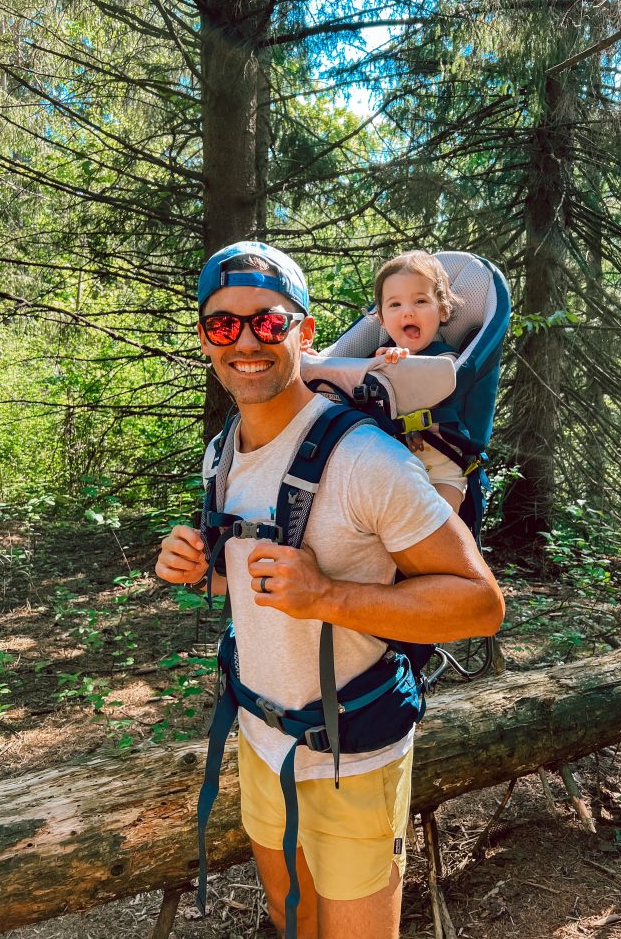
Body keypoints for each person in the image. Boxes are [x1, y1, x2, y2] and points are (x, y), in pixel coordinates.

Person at [155, 241, 504, 939]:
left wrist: (329, 597)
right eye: (224, 325)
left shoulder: (366, 460)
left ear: (305, 333)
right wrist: (197, 565)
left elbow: (479, 603)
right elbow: (240, 579)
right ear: (205, 338)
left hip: (355, 760)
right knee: (295, 923)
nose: (246, 341)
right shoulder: (222, 453)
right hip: (260, 742)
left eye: (269, 322)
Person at [373, 250, 465, 513]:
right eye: (395, 305)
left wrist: (403, 364)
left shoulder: (446, 359)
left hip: (444, 471)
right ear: (381, 318)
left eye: (421, 301)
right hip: (393, 470)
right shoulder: (378, 359)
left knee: (444, 530)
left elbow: (431, 388)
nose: (408, 312)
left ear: (443, 310)